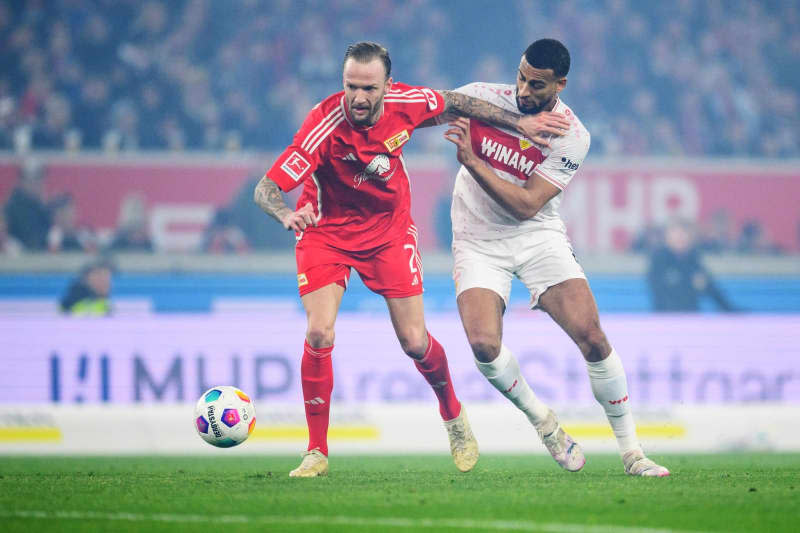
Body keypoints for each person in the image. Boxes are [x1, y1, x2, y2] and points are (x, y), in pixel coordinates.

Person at [254, 41, 558, 478]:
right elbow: (266, 188)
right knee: (319, 332)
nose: (358, 98)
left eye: (369, 88)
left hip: (388, 232)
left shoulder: (407, 102)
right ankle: (316, 451)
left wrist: (521, 124)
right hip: (326, 231)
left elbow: (457, 103)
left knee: (415, 341)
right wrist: (285, 213)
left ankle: (453, 415)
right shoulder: (323, 124)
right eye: (350, 87)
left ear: (387, 86)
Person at [442, 39, 670, 477]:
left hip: (535, 234)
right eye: (521, 77)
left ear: (561, 84)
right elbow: (433, 106)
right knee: (484, 346)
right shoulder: (484, 97)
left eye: (537, 84)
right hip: (476, 238)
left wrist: (472, 161)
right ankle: (544, 423)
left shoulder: (573, 136)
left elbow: (527, 205)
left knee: (593, 337)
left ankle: (632, 453)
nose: (524, 90)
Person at [647, 219, 736, 312]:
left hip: (691, 318)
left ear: (690, 238)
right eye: (676, 234)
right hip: (666, 318)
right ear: (667, 237)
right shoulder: (659, 260)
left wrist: (734, 312)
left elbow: (712, 291)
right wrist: (690, 284)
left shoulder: (694, 260)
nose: (680, 238)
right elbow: (660, 293)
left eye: (683, 234)